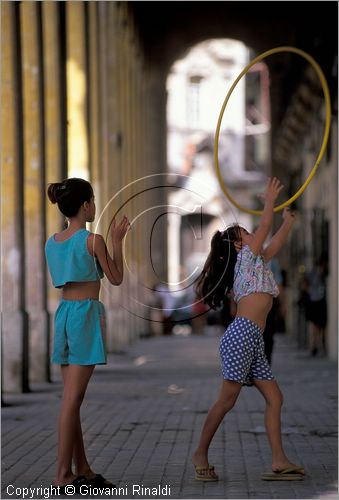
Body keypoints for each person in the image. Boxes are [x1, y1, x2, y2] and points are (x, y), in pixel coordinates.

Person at [192, 178, 304, 482]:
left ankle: (279, 460)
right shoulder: (245, 258)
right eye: (248, 233)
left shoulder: (255, 261)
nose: (255, 235)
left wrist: (288, 222)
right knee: (227, 400)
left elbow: (274, 242)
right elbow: (265, 227)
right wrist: (269, 201)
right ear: (240, 245)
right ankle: (200, 452)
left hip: (251, 338)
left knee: (275, 398)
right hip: (241, 335)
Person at [45, 178, 130, 492]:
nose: (94, 205)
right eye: (92, 200)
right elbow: (117, 278)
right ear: (85, 205)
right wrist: (118, 240)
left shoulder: (52, 241)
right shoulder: (93, 241)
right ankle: (62, 475)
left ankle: (82, 468)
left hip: (64, 315)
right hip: (84, 316)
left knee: (71, 400)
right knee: (72, 399)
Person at [305, 257, 328, 356]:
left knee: (318, 325)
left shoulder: (313, 272)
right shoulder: (317, 272)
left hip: (315, 300)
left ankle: (315, 345)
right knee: (317, 325)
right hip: (317, 301)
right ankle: (315, 345)